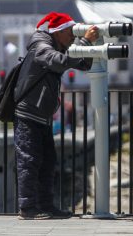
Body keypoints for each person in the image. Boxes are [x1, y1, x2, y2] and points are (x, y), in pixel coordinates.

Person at [13, 12, 99, 220]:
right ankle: (27, 207)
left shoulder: (57, 46)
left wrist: (84, 43)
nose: (72, 36)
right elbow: (60, 62)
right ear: (58, 32)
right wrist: (85, 40)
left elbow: (83, 65)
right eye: (70, 32)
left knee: (48, 161)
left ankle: (46, 205)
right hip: (28, 112)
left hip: (41, 114)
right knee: (29, 160)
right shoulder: (41, 47)